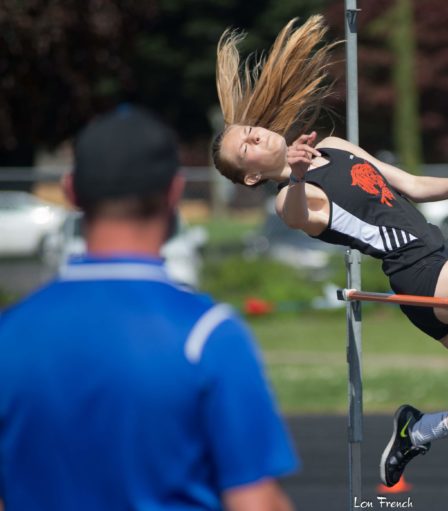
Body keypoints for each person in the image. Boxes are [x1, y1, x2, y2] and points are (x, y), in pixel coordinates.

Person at [211, 16, 448, 488]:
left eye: (250, 130)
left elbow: (408, 184)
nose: (255, 136)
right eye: (245, 147)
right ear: (250, 176)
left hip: (440, 277)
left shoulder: (334, 145)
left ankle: (419, 429)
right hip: (424, 279)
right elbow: (301, 212)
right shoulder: (290, 199)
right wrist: (299, 174)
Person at [0, 107, 298, 510]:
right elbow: (254, 500)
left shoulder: (11, 334)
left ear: (71, 191)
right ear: (175, 192)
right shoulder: (207, 335)